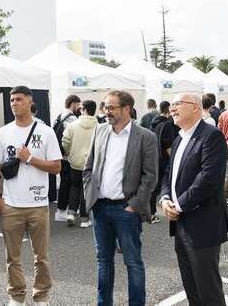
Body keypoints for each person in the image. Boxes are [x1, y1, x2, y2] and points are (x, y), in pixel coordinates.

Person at [83, 90, 158, 306]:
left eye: (111, 107)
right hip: (100, 208)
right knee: (103, 261)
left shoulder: (146, 136)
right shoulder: (100, 131)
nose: (106, 111)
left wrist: (134, 205)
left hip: (126, 210)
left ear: (127, 109)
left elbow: (150, 176)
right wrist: (92, 195)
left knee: (133, 262)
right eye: (105, 107)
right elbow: (88, 167)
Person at [0, 86, 62, 306]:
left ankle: (41, 295)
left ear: (30, 102)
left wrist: (30, 159)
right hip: (11, 205)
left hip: (39, 205)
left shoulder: (46, 131)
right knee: (12, 257)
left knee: (42, 257)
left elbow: (57, 167)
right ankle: (16, 296)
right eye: (11, 100)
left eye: (18, 99)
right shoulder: (3, 132)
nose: (14, 103)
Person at [160, 93, 228, 306]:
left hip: (203, 224)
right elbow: (169, 173)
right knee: (191, 287)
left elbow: (209, 178)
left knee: (208, 290)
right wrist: (164, 198)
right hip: (181, 223)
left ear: (196, 108)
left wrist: (179, 205)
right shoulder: (180, 137)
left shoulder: (211, 136)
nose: (172, 108)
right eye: (171, 104)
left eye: (178, 104)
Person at [61, 99, 98, 227]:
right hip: (91, 163)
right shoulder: (99, 126)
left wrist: (70, 152)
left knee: (75, 186)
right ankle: (84, 219)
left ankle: (71, 213)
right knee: (86, 189)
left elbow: (64, 141)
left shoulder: (72, 125)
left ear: (84, 110)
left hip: (75, 161)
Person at [51, 94, 80, 221]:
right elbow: (71, 138)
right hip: (68, 156)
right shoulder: (72, 119)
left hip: (59, 154)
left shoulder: (59, 117)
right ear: (73, 104)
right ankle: (62, 210)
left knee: (65, 181)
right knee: (68, 182)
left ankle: (62, 209)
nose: (79, 107)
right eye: (78, 104)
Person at [149, 101, 177, 223]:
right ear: (168, 110)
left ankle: (150, 213)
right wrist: (175, 160)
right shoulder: (167, 125)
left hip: (153, 158)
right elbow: (168, 145)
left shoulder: (153, 122)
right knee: (164, 186)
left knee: (153, 189)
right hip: (164, 160)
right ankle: (153, 213)